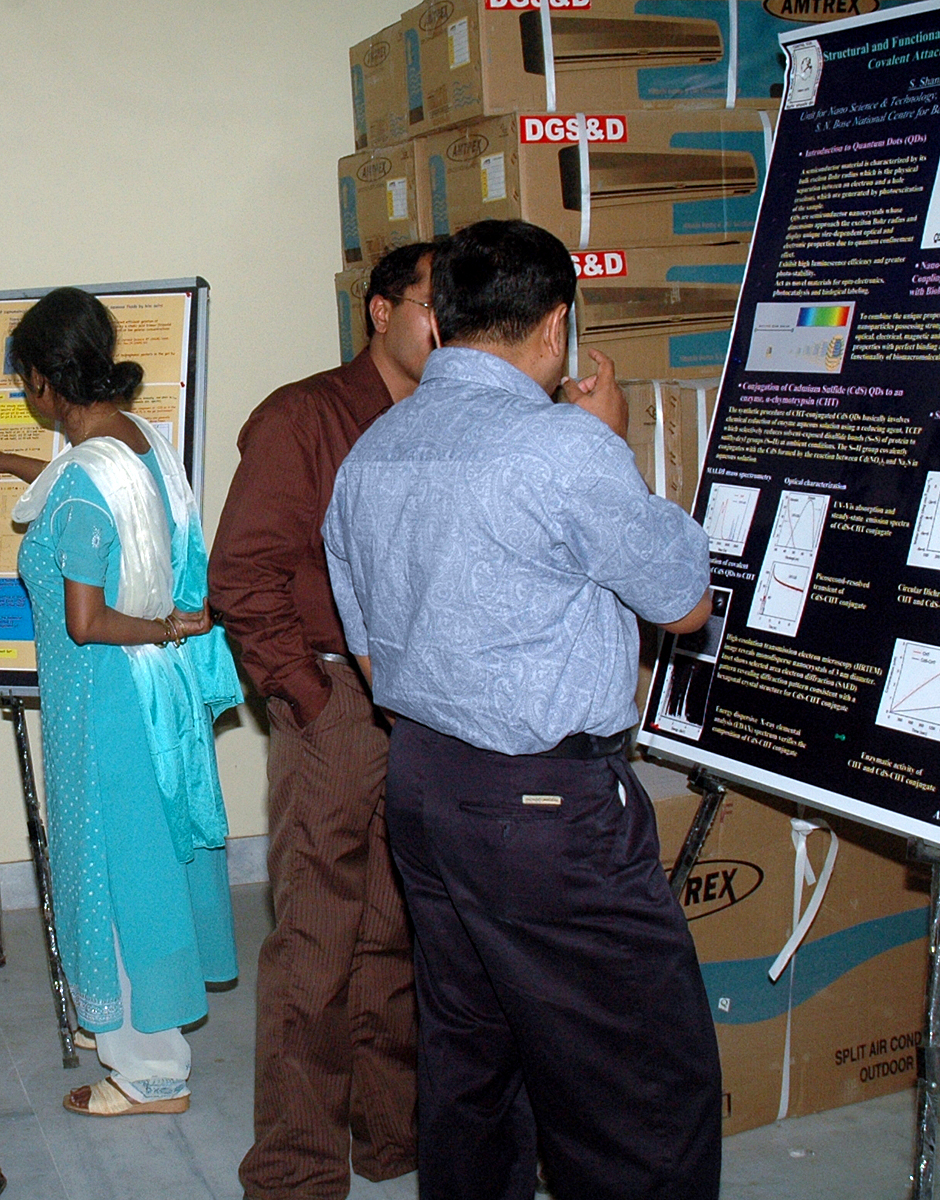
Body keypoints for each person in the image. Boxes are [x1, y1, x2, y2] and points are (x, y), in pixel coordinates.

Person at [321, 219, 721, 1200]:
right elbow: (683, 601)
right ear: (555, 327)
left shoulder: (373, 451)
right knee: (634, 1081)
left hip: (424, 786)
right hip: (547, 810)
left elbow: (370, 652)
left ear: (439, 322)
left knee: (472, 1059)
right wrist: (610, 441)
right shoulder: (564, 448)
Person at [0, 287, 241, 1117]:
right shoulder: (140, 441)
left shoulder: (86, 485)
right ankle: (125, 1019)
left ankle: (149, 1072)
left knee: (116, 874)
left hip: (104, 703)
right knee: (147, 861)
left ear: (44, 380)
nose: (26, 393)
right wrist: (9, 465)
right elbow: (84, 489)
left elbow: (84, 622)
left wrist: (161, 626)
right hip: (148, 694)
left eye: (25, 380)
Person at [208, 241, 436, 1199]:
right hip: (338, 700)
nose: (448, 325)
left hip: (425, 706)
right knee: (317, 939)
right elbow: (240, 571)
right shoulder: (305, 416)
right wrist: (305, 692)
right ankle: (296, 1170)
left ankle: (392, 1135)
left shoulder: (449, 420)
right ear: (381, 310)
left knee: (396, 932)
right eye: (432, 303)